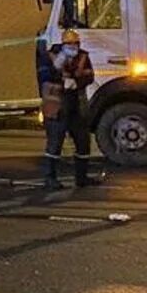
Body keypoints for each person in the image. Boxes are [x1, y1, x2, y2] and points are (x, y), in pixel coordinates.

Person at [39, 29, 96, 190]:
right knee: (55, 143)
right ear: (62, 44)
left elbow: (90, 76)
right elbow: (43, 76)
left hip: (76, 105)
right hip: (57, 106)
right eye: (69, 43)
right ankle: (50, 178)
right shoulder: (49, 56)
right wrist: (60, 79)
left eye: (76, 43)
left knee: (82, 142)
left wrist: (76, 83)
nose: (73, 46)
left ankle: (81, 177)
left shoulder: (83, 56)